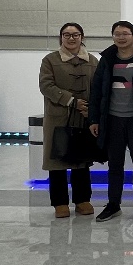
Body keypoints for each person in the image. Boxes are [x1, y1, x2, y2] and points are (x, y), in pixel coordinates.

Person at [89, 20, 133, 222]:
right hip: (113, 120)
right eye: (117, 34)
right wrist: (94, 119)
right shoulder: (107, 59)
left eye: (125, 34)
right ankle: (113, 205)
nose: (121, 37)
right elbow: (96, 91)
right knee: (115, 165)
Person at [39, 22, 98, 218]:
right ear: (61, 38)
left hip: (83, 117)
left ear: (82, 37)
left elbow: (99, 87)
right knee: (57, 159)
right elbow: (46, 86)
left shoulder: (92, 61)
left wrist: (92, 108)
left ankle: (82, 200)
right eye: (67, 35)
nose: (71, 38)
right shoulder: (50, 60)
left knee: (82, 159)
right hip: (58, 117)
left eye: (75, 35)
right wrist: (71, 101)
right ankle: (60, 202)